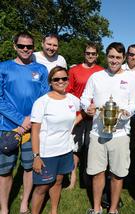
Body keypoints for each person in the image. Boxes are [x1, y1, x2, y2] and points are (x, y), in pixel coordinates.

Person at [81, 42, 135, 214]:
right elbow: (84, 98)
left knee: (117, 174)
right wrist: (87, 107)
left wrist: (127, 112)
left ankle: (113, 209)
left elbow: (134, 104)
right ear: (106, 56)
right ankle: (96, 208)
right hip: (97, 132)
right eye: (111, 56)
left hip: (120, 134)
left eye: (118, 57)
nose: (114, 61)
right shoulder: (96, 77)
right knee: (97, 172)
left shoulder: (131, 79)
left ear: (123, 59)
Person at [0, 32, 49, 214]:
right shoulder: (3, 68)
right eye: (21, 46)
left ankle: (23, 204)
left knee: (29, 167)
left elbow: (44, 98)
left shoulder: (41, 70)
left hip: (33, 127)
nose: (25, 49)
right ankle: (4, 208)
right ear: (15, 46)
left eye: (29, 46)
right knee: (5, 171)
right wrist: (21, 121)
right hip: (8, 127)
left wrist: (31, 121)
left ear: (34, 47)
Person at [30, 66, 81, 214]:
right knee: (42, 187)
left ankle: (54, 211)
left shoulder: (72, 99)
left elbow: (85, 109)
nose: (61, 81)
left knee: (58, 182)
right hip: (47, 152)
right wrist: (36, 156)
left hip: (65, 150)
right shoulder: (42, 102)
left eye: (64, 78)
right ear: (50, 82)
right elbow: (35, 131)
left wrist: (78, 119)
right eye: (56, 79)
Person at [66, 42, 104, 189]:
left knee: (91, 146)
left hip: (95, 115)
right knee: (76, 147)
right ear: (84, 54)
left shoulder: (101, 71)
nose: (90, 56)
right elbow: (69, 92)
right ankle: (72, 177)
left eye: (93, 54)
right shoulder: (74, 70)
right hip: (78, 114)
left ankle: (88, 177)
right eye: (88, 53)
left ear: (97, 55)